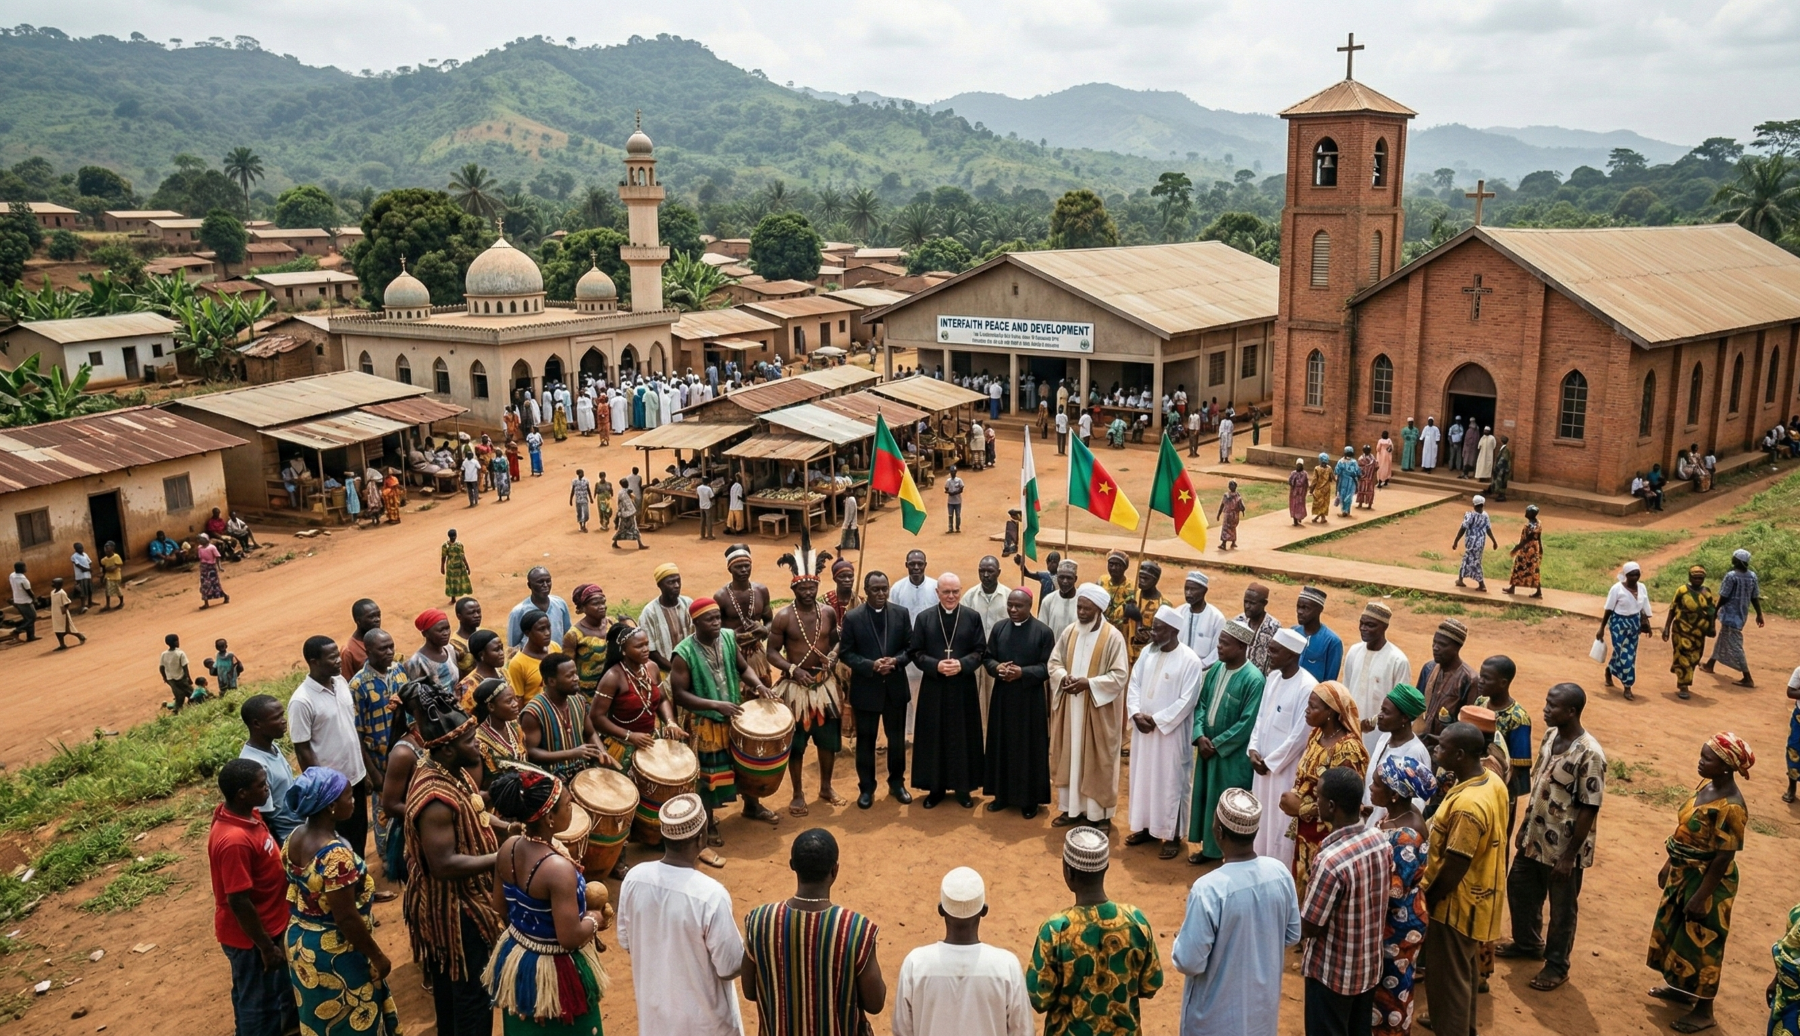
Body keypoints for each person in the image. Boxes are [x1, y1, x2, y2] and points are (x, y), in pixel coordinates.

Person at [483, 769, 611, 1036]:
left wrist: (531, 928)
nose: (571, 807)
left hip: (520, 960)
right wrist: (594, 919)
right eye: (567, 805)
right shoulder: (557, 869)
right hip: (555, 972)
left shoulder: (508, 847)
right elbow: (570, 938)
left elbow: (500, 906)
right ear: (550, 818)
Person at [403, 696, 503, 1036]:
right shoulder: (434, 798)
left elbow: (473, 811)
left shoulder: (449, 771)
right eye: (470, 741)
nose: (477, 745)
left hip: (458, 902)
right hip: (455, 912)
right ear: (446, 749)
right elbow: (443, 864)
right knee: (472, 999)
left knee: (454, 995)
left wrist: (506, 826)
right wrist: (503, 858)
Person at [282, 766, 400, 1036]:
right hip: (334, 950)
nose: (355, 801)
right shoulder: (335, 857)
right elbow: (345, 918)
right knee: (353, 1018)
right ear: (331, 806)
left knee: (320, 1019)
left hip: (300, 941)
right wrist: (378, 958)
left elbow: (294, 889)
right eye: (349, 796)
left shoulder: (294, 838)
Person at [1646, 733, 1752, 1034]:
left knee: (1704, 944)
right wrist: (1669, 863)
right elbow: (1684, 830)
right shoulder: (1708, 787)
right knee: (1679, 933)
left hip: (1709, 881)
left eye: (1708, 758)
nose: (1700, 761)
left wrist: (1703, 896)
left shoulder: (1732, 807)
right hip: (1684, 872)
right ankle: (1680, 989)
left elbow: (1723, 857)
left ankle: (1705, 1011)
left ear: (1726, 767)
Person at [1501, 683, 1603, 992]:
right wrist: (1524, 827)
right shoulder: (1550, 736)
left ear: (1571, 711)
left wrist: (1569, 856)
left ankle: (1557, 965)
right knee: (1519, 887)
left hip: (1563, 848)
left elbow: (1589, 806)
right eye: (1546, 703)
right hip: (1535, 837)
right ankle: (1528, 943)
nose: (1545, 709)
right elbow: (1541, 785)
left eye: (1552, 705)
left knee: (1562, 909)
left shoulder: (1590, 754)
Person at [617, 793, 747, 1035]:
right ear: (701, 838)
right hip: (706, 1027)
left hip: (656, 1022)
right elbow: (729, 967)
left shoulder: (635, 878)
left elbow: (627, 941)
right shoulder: (710, 895)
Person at [1171, 789, 1299, 1036]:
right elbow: (1292, 934)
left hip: (1214, 1022)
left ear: (1218, 832)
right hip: (1261, 1018)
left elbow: (1189, 961)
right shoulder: (1279, 873)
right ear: (1255, 831)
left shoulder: (1209, 889)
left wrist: (1181, 939)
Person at [741, 829, 886, 1036]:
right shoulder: (856, 929)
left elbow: (749, 990)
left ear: (792, 866)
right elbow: (875, 1003)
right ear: (835, 870)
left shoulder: (759, 921)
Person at [1421, 723, 1510, 1036]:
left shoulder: (1469, 806)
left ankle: (1453, 1027)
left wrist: (1429, 898)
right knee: (1463, 972)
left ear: (1459, 755)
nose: (1436, 751)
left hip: (1455, 905)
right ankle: (1459, 1024)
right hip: (1480, 896)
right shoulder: (1491, 783)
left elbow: (1456, 864)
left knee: (1449, 978)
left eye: (1442, 748)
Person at [1030, 827, 1163, 1034]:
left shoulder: (1056, 929)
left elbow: (1040, 998)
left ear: (1068, 871)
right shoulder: (1135, 920)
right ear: (1106, 867)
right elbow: (1151, 984)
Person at [671, 597, 781, 841]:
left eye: (718, 618)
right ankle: (708, 823)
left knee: (746, 764)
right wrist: (715, 705)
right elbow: (679, 695)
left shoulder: (729, 638)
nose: (716, 623)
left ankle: (751, 805)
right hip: (706, 722)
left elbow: (743, 668)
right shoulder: (683, 653)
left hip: (733, 716)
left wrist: (759, 686)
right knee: (709, 776)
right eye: (709, 619)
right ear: (696, 622)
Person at [1298, 767, 1389, 1036]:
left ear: (1331, 806)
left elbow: (1310, 926)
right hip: (1368, 968)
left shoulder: (1331, 861)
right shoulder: (1379, 840)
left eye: (1318, 797)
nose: (1316, 802)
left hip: (1332, 976)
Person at [209, 758, 296, 1036]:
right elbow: (238, 900)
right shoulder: (234, 841)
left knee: (269, 996)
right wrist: (265, 946)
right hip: (252, 939)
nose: (267, 788)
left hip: (270, 926)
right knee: (257, 1008)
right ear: (242, 793)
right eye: (261, 785)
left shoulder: (248, 814)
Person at [892, 867, 1032, 1036]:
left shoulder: (915, 964)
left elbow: (901, 1030)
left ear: (941, 910)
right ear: (984, 910)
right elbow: (1023, 1031)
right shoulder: (1006, 966)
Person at [1124, 607, 1207, 859]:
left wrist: (1158, 720)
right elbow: (1134, 683)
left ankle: (1173, 835)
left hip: (1170, 736)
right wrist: (1136, 713)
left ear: (1173, 631)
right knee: (1144, 780)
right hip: (1143, 732)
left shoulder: (1190, 660)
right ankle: (1147, 828)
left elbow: (1187, 700)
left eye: (1158, 629)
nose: (1152, 633)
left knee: (1171, 782)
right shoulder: (1148, 652)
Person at [1047, 585, 1131, 828]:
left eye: (1087, 608)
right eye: (1079, 607)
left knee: (1099, 761)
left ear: (1099, 609)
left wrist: (1088, 684)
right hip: (1071, 710)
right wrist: (1064, 677)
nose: (1081, 612)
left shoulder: (1113, 637)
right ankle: (1070, 809)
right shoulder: (1070, 632)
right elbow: (1054, 662)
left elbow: (1119, 675)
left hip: (1098, 713)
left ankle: (1099, 815)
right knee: (1070, 757)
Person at [1283, 683, 1371, 894]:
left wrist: (1301, 808)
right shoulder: (1316, 735)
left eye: (1313, 707)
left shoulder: (1347, 749)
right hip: (1305, 832)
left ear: (1330, 712)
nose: (1307, 710)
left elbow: (1345, 803)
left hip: (1329, 838)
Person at [1186, 621, 1263, 863]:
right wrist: (1199, 735)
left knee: (1226, 802)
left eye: (1224, 643)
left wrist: (1216, 744)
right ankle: (1209, 850)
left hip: (1230, 756)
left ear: (1241, 647)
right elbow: (1202, 704)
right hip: (1207, 748)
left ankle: (1227, 854)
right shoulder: (1216, 669)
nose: (1218, 647)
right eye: (1219, 641)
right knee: (1206, 799)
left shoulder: (1254, 679)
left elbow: (1247, 723)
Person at [1368, 754, 1434, 1036]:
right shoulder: (1395, 815)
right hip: (1392, 921)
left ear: (1394, 794)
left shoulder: (1407, 834)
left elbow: (1393, 893)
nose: (1370, 788)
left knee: (1392, 993)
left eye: (1376, 784)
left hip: (1399, 924)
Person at [910, 572, 988, 809]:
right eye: (946, 592)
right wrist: (936, 665)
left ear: (961, 591)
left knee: (964, 737)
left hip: (963, 687)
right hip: (934, 688)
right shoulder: (924, 619)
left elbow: (981, 650)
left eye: (955, 591)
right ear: (937, 593)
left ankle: (964, 788)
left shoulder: (972, 617)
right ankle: (936, 788)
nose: (951, 596)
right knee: (934, 737)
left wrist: (962, 664)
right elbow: (916, 652)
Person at [842, 571, 917, 809]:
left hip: (894, 687)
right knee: (866, 741)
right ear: (866, 591)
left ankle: (897, 784)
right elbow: (846, 652)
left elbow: (910, 648)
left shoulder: (900, 613)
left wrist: (895, 661)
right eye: (876, 589)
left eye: (885, 588)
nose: (881, 593)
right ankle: (866, 788)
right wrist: (870, 665)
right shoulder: (853, 618)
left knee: (897, 741)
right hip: (867, 689)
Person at [292, 636, 371, 858]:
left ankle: (362, 890)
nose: (338, 660)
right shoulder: (302, 701)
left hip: (355, 778)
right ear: (314, 661)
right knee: (339, 844)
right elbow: (303, 749)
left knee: (358, 836)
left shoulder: (342, 683)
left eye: (337, 655)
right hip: (333, 789)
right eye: (332, 657)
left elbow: (351, 730)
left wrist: (365, 771)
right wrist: (324, 790)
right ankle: (346, 890)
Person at [1248, 628, 1317, 870]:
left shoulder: (1307, 686)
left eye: (1275, 650)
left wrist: (1271, 762)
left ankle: (1277, 872)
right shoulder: (1273, 678)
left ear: (1291, 655)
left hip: (1284, 773)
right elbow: (1260, 718)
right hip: (1261, 767)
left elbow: (1300, 735)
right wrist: (1254, 749)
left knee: (1279, 823)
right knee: (1260, 819)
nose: (1270, 654)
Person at [983, 588, 1055, 818]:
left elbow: (1048, 667)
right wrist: (998, 668)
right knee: (1001, 745)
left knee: (1028, 749)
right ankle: (1001, 795)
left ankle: (1029, 800)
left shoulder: (1043, 632)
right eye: (1010, 605)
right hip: (1003, 697)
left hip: (1029, 701)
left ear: (1030, 606)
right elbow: (988, 657)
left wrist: (1022, 673)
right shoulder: (999, 628)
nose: (1013, 610)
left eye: (1019, 606)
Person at [1340, 602, 1408, 754]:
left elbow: (1401, 706)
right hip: (1351, 729)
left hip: (1381, 734)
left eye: (1370, 625)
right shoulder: (1354, 651)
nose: (1364, 628)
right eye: (1362, 623)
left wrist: (1372, 722)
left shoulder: (1397, 660)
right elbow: (1346, 691)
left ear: (1384, 627)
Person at [238, 695, 301, 843]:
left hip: (299, 825)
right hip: (288, 836)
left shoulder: (271, 747)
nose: (284, 721)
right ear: (257, 724)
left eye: (282, 715)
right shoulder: (255, 764)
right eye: (276, 718)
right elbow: (263, 817)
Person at [1365, 685, 1429, 827]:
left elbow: (1415, 804)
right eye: (1381, 710)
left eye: (1386, 712)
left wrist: (1386, 825)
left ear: (1404, 718)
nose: (1380, 715)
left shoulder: (1415, 752)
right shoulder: (1384, 738)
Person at [1702, 548, 1763, 687]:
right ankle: (1710, 664)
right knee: (1723, 637)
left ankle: (1747, 677)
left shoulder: (1731, 576)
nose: (1732, 559)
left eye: (1734, 557)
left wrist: (1715, 611)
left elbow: (1724, 596)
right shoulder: (1752, 576)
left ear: (1738, 561)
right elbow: (1755, 597)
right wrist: (1759, 613)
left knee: (1735, 645)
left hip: (1730, 614)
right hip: (1741, 614)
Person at [1599, 561, 1653, 700]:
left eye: (1637, 574)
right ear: (1625, 575)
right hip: (1618, 624)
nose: (1635, 577)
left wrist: (1647, 624)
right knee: (1625, 655)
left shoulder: (1642, 588)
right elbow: (1609, 609)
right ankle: (1628, 686)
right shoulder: (1617, 589)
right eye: (1631, 575)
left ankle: (1609, 669)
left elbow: (1644, 607)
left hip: (1634, 624)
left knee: (1629, 654)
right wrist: (1601, 628)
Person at [1662, 566, 1717, 701]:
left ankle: (1680, 670)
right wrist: (1667, 627)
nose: (1698, 580)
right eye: (1695, 577)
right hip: (1681, 630)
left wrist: (1712, 627)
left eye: (1700, 578)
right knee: (1684, 656)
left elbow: (1711, 611)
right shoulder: (1682, 591)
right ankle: (1683, 685)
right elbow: (1672, 609)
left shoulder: (1707, 592)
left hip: (1699, 632)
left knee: (1695, 658)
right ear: (1689, 577)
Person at [507, 609, 565, 704]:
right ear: (527, 633)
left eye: (548, 627)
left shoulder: (555, 647)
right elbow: (518, 699)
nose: (547, 633)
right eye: (541, 629)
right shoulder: (518, 663)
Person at [508, 567, 573, 649]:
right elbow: (513, 646)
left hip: (556, 658)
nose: (545, 585)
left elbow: (567, 635)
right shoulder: (518, 612)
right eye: (540, 582)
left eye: (548, 581)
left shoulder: (560, 604)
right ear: (529, 585)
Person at [1293, 586, 1344, 683]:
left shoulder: (1332, 641)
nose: (1300, 612)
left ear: (1319, 610)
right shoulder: (1293, 633)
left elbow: (1330, 681)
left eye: (1306, 608)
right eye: (1298, 607)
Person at [1451, 496, 1497, 591]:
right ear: (1483, 504)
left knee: (1474, 562)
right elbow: (1488, 529)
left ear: (1473, 504)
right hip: (1480, 543)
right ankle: (1460, 579)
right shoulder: (1485, 515)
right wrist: (1494, 541)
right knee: (1467, 559)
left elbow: (1463, 528)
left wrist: (1456, 540)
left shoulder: (1470, 515)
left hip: (1472, 543)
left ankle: (1482, 584)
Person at [1504, 504, 1544, 597]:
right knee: (1534, 570)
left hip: (1526, 549)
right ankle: (1538, 591)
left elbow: (1526, 540)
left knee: (1518, 567)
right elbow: (1538, 538)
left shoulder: (1528, 526)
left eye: (1527, 512)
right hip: (1535, 549)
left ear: (1531, 514)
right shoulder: (1538, 523)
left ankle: (1512, 588)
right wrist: (1541, 549)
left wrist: (1516, 548)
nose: (1525, 513)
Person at [159, 631, 193, 712]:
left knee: (179, 695)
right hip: (181, 678)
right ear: (175, 642)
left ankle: (175, 709)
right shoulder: (180, 653)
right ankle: (183, 707)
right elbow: (185, 667)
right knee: (191, 693)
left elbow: (161, 667)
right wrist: (189, 678)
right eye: (177, 640)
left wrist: (165, 677)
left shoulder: (164, 654)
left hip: (170, 679)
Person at [47, 577, 83, 649]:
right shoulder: (52, 592)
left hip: (62, 613)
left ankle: (80, 636)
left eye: (54, 583)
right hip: (55, 613)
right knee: (57, 629)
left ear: (59, 584)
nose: (52, 584)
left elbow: (67, 602)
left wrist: (64, 610)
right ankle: (62, 644)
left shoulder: (62, 593)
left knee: (67, 628)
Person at [439, 528, 472, 604]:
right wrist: (467, 566)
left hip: (454, 566)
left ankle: (454, 598)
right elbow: (462, 556)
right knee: (457, 581)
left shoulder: (448, 545)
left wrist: (442, 567)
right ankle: (456, 597)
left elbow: (444, 557)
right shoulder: (456, 545)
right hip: (456, 566)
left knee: (454, 582)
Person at [1216, 481, 1247, 549]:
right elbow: (1242, 506)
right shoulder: (1238, 495)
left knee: (1225, 529)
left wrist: (1218, 514)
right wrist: (1242, 511)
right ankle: (1233, 542)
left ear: (1229, 487)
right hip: (1235, 515)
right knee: (1233, 528)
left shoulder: (1226, 495)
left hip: (1228, 514)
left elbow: (1222, 505)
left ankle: (1224, 544)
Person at [1333, 447, 1360, 517]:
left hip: (1343, 481)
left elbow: (1337, 472)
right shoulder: (1354, 462)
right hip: (1351, 481)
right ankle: (1347, 510)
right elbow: (1358, 472)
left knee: (1342, 495)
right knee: (1349, 496)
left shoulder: (1341, 461)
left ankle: (1344, 510)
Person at [99, 541, 124, 611]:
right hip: (108, 576)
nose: (106, 549)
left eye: (107, 548)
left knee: (117, 589)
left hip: (116, 576)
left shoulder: (116, 556)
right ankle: (107, 605)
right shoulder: (104, 559)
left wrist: (110, 568)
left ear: (112, 548)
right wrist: (102, 575)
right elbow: (102, 567)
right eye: (105, 548)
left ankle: (121, 602)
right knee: (107, 590)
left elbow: (119, 565)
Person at [1308, 454, 1333, 524]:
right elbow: (1331, 479)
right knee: (1324, 504)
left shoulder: (1317, 469)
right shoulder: (1329, 468)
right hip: (1327, 489)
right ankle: (1322, 518)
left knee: (1319, 503)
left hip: (1318, 489)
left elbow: (1314, 481)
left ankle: (1320, 517)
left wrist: (1311, 490)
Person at [943, 465, 965, 533]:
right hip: (950, 502)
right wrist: (949, 492)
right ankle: (950, 528)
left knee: (958, 515)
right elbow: (946, 488)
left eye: (954, 472)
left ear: (956, 472)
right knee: (950, 515)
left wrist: (954, 492)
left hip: (957, 501)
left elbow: (961, 489)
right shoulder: (948, 481)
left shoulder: (959, 480)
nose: (952, 473)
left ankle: (957, 528)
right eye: (951, 472)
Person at [1288, 458, 1310, 526]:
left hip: (1300, 494)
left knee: (1298, 506)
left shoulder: (1304, 474)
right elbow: (1290, 482)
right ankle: (1295, 520)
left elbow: (1307, 483)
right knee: (1295, 505)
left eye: (1300, 465)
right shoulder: (1294, 473)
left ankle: (1298, 518)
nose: (1299, 466)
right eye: (1298, 465)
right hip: (1296, 494)